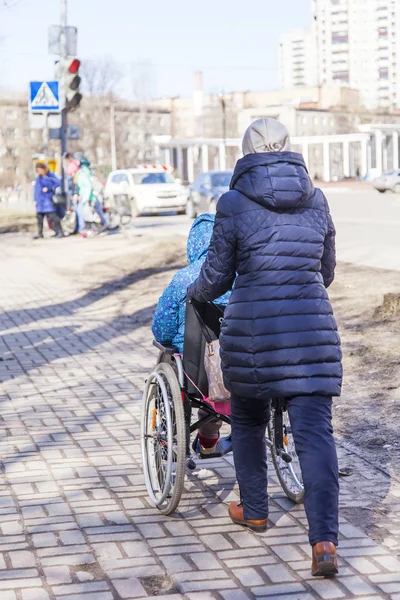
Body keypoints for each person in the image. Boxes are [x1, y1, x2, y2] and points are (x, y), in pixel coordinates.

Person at [188, 118, 342, 578]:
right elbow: (327, 270)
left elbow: (216, 276)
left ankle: (254, 510)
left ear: (246, 153)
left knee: (250, 419)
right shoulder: (317, 198)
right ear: (290, 149)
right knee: (315, 435)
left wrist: (195, 292)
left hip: (255, 335)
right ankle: (325, 544)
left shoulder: (233, 203)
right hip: (312, 333)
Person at [152, 214, 230, 456]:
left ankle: (173, 435)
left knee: (172, 359)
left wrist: (167, 342)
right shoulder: (242, 273)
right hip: (240, 360)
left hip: (196, 369)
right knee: (216, 366)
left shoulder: (184, 278)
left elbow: (162, 329)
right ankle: (208, 440)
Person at [75, 157, 107, 235]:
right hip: (93, 197)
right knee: (95, 212)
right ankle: (102, 225)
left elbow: (87, 186)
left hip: (87, 197)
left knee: (88, 213)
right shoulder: (89, 172)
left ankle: (94, 229)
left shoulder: (82, 173)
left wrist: (87, 198)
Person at [33, 162, 63, 239]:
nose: (39, 172)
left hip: (48, 200)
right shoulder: (38, 178)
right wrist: (35, 199)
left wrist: (49, 187)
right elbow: (36, 190)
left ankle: (59, 231)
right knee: (39, 218)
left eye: (40, 170)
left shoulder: (50, 175)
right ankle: (40, 233)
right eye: (37, 170)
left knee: (53, 217)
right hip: (40, 201)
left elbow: (57, 182)